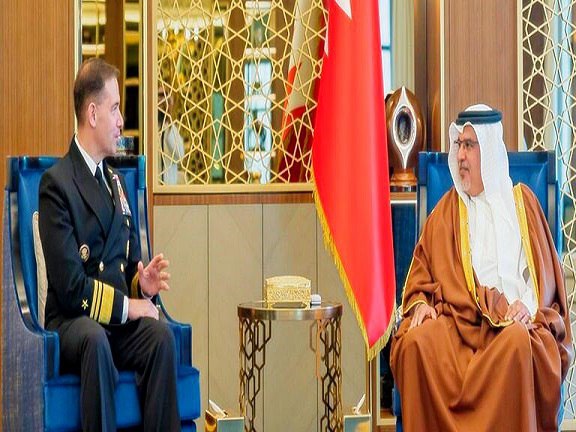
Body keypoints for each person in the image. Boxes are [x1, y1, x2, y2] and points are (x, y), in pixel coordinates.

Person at [390, 104, 573, 431]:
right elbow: (421, 277)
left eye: (469, 145)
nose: (460, 155)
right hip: (460, 325)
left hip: (511, 325)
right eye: (458, 145)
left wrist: (526, 307)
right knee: (416, 343)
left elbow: (543, 280)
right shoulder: (446, 211)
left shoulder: (522, 205)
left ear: (488, 151)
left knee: (517, 343)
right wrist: (421, 305)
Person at [39, 58, 181, 431]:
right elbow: (72, 289)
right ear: (92, 113)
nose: (121, 121)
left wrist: (142, 286)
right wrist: (130, 307)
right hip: (74, 323)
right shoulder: (57, 184)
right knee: (95, 339)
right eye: (115, 108)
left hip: (114, 322)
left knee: (161, 337)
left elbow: (127, 267)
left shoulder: (116, 182)